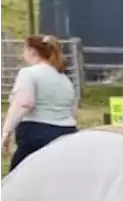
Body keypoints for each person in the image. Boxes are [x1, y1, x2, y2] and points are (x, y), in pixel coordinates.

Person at [0, 35, 77, 173]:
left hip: (37, 132)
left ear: (31, 51)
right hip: (67, 132)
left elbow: (23, 104)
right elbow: (72, 109)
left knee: (19, 177)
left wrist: (6, 132)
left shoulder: (29, 74)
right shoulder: (64, 78)